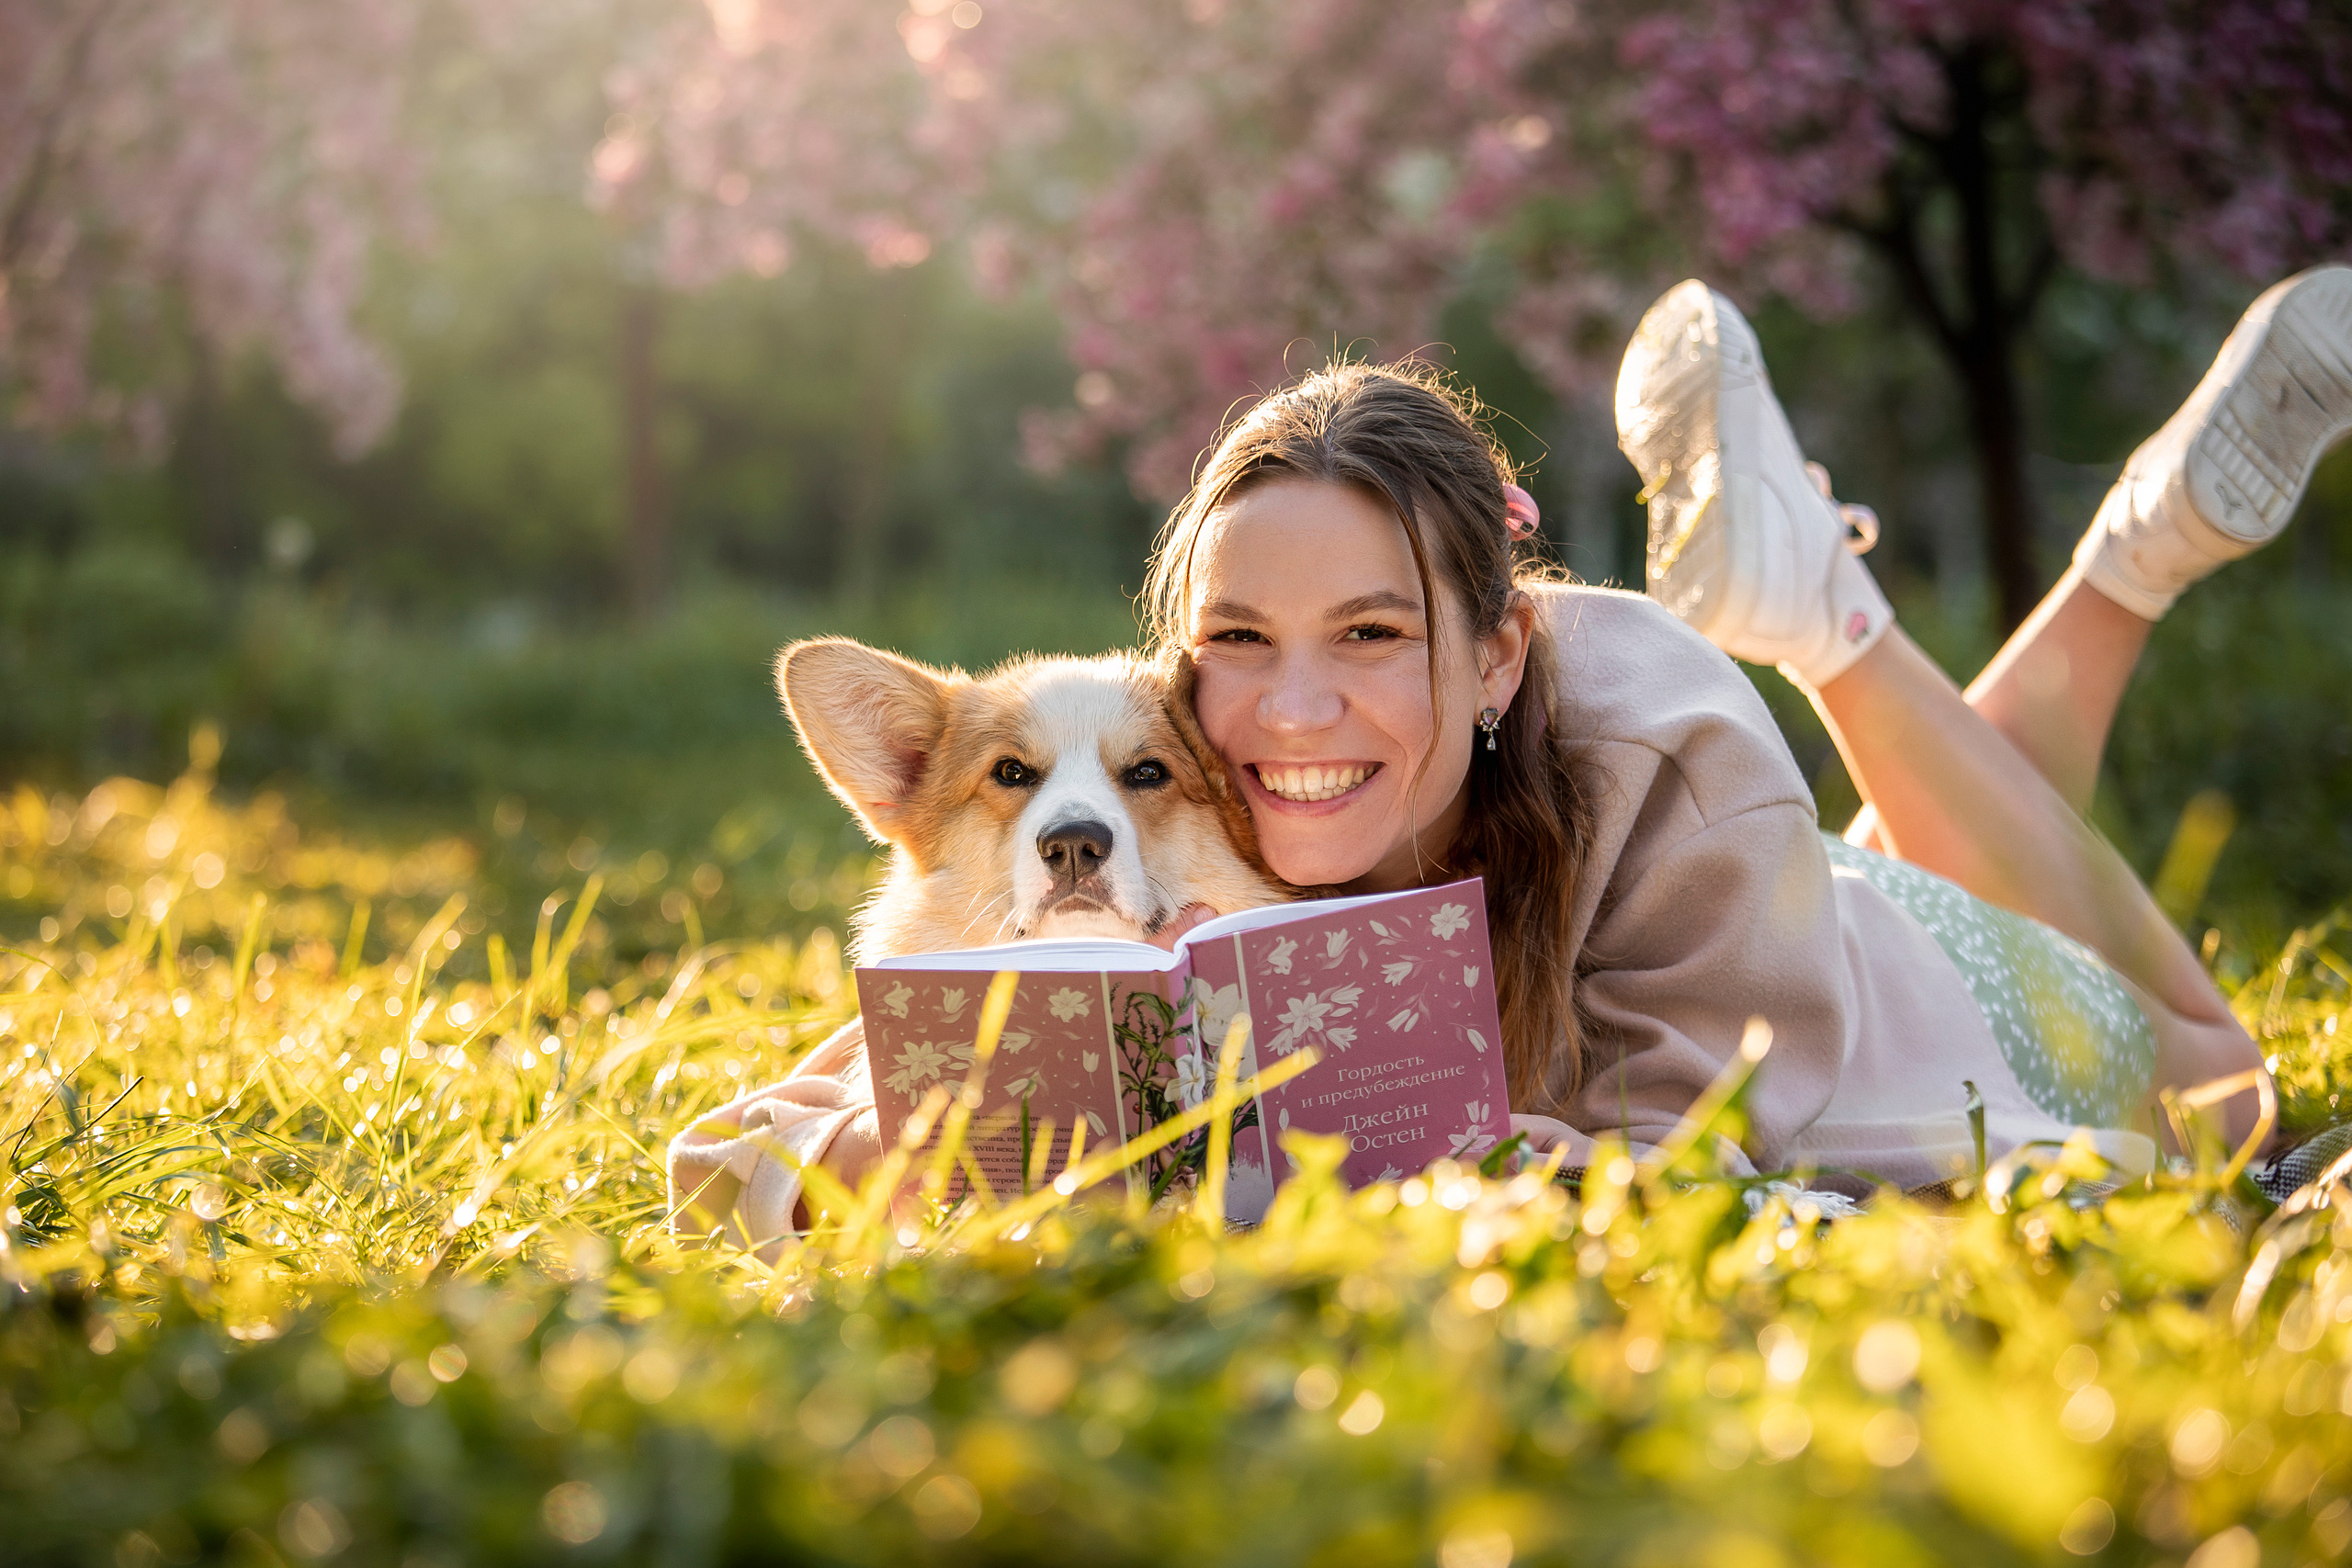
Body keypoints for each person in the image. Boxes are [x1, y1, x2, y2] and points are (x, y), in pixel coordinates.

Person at [671, 267, 2352, 1243]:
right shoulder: (1161, 827)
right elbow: (769, 1134)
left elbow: (1678, 1171)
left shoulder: (1655, 742)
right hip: (1812, 896)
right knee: (1935, 840)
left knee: (2222, 1077)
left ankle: (1853, 618)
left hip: (1923, 1016)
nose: (1293, 713)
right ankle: (2119, 551)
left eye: (1375, 635)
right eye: (1239, 645)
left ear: (1495, 650)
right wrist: (852, 1152)